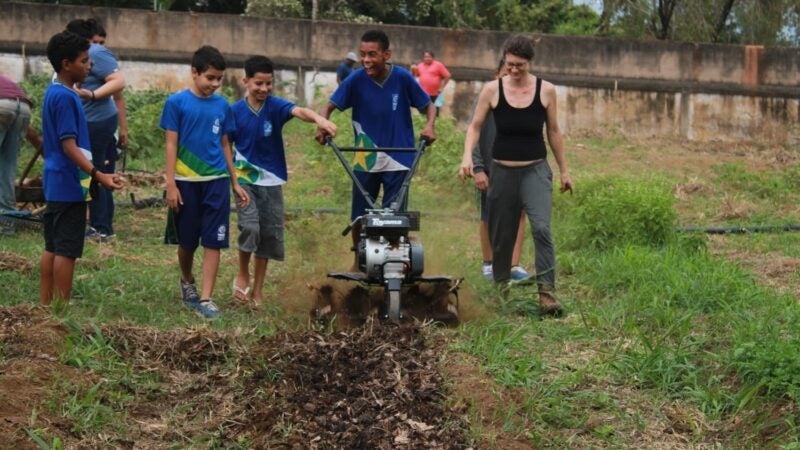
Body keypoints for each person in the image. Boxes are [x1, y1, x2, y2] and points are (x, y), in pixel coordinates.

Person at [459, 35, 573, 316]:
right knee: (501, 235)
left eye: (519, 65)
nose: (513, 70)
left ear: (529, 62)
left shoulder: (546, 91)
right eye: (509, 64)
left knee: (542, 228)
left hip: (535, 170)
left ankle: (546, 293)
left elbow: (554, 131)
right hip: (501, 172)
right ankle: (502, 289)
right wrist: (468, 158)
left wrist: (564, 170)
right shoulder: (492, 90)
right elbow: (474, 127)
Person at [315, 30, 436, 270]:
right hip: (366, 157)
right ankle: (358, 261)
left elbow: (428, 106)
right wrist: (322, 124)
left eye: (372, 54)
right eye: (363, 55)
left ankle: (395, 261)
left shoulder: (401, 78)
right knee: (360, 215)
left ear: (386, 54)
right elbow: (330, 106)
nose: (366, 60)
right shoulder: (356, 79)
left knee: (396, 217)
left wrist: (430, 126)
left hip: (399, 157)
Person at [230, 55, 337, 305]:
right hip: (244, 179)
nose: (264, 89)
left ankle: (257, 290)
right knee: (250, 227)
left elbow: (299, 110)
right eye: (259, 84)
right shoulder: (233, 112)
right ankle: (243, 273)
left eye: (269, 83)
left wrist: (320, 119)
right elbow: (225, 144)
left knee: (268, 235)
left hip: (272, 181)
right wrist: (232, 178)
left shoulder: (275, 106)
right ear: (246, 81)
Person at [160, 45, 249, 319]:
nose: (215, 84)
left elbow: (225, 145)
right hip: (186, 182)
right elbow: (171, 144)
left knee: (215, 240)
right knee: (187, 241)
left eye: (219, 79)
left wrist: (234, 181)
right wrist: (171, 183)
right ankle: (187, 281)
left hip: (217, 181)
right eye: (209, 77)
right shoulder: (176, 103)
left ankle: (207, 298)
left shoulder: (223, 106)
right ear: (194, 72)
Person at [39, 31, 123, 306]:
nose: (90, 66)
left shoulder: (54, 92)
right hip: (69, 184)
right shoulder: (66, 98)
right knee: (67, 249)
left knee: (52, 246)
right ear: (66, 64)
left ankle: (45, 304)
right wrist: (98, 174)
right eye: (85, 61)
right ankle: (61, 308)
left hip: (55, 181)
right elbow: (69, 145)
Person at [65, 18, 126, 242]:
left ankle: (101, 228)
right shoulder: (85, 53)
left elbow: (119, 82)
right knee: (94, 170)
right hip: (90, 121)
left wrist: (92, 95)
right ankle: (101, 225)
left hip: (96, 121)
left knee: (95, 171)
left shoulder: (96, 52)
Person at [471, 59, 529, 281]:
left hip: (520, 168)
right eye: (506, 72)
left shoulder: (525, 98)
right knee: (488, 215)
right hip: (490, 168)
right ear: (497, 74)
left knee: (520, 213)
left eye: (516, 72)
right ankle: (489, 264)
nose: (511, 77)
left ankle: (513, 265)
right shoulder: (486, 98)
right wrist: (477, 168)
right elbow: (474, 134)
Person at [0, 75, 42, 235]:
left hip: (2, 105)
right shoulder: (6, 82)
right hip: (23, 108)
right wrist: (43, 149)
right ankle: (7, 226)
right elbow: (31, 132)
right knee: (6, 171)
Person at [416, 50, 450, 117]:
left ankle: (433, 125)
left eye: (429, 57)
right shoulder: (420, 66)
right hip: (422, 93)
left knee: (434, 112)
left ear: (432, 58)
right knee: (422, 112)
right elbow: (415, 76)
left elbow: (447, 76)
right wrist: (412, 69)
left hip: (434, 94)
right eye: (425, 57)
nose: (427, 58)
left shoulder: (438, 65)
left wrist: (442, 88)